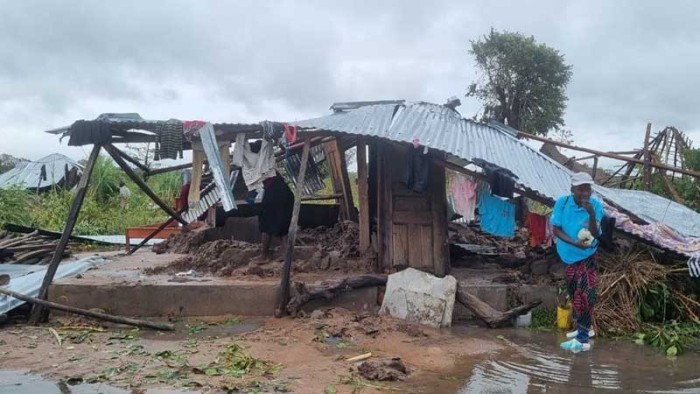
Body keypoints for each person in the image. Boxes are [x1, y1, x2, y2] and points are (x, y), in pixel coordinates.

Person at [551, 172, 604, 352]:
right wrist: (574, 243)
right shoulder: (562, 203)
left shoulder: (596, 205)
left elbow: (596, 234)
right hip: (568, 255)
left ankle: (582, 340)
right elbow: (556, 229)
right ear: (572, 189)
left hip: (587, 255)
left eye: (588, 188)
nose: (585, 192)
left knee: (586, 293)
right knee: (574, 292)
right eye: (581, 189)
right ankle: (584, 328)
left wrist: (590, 214)